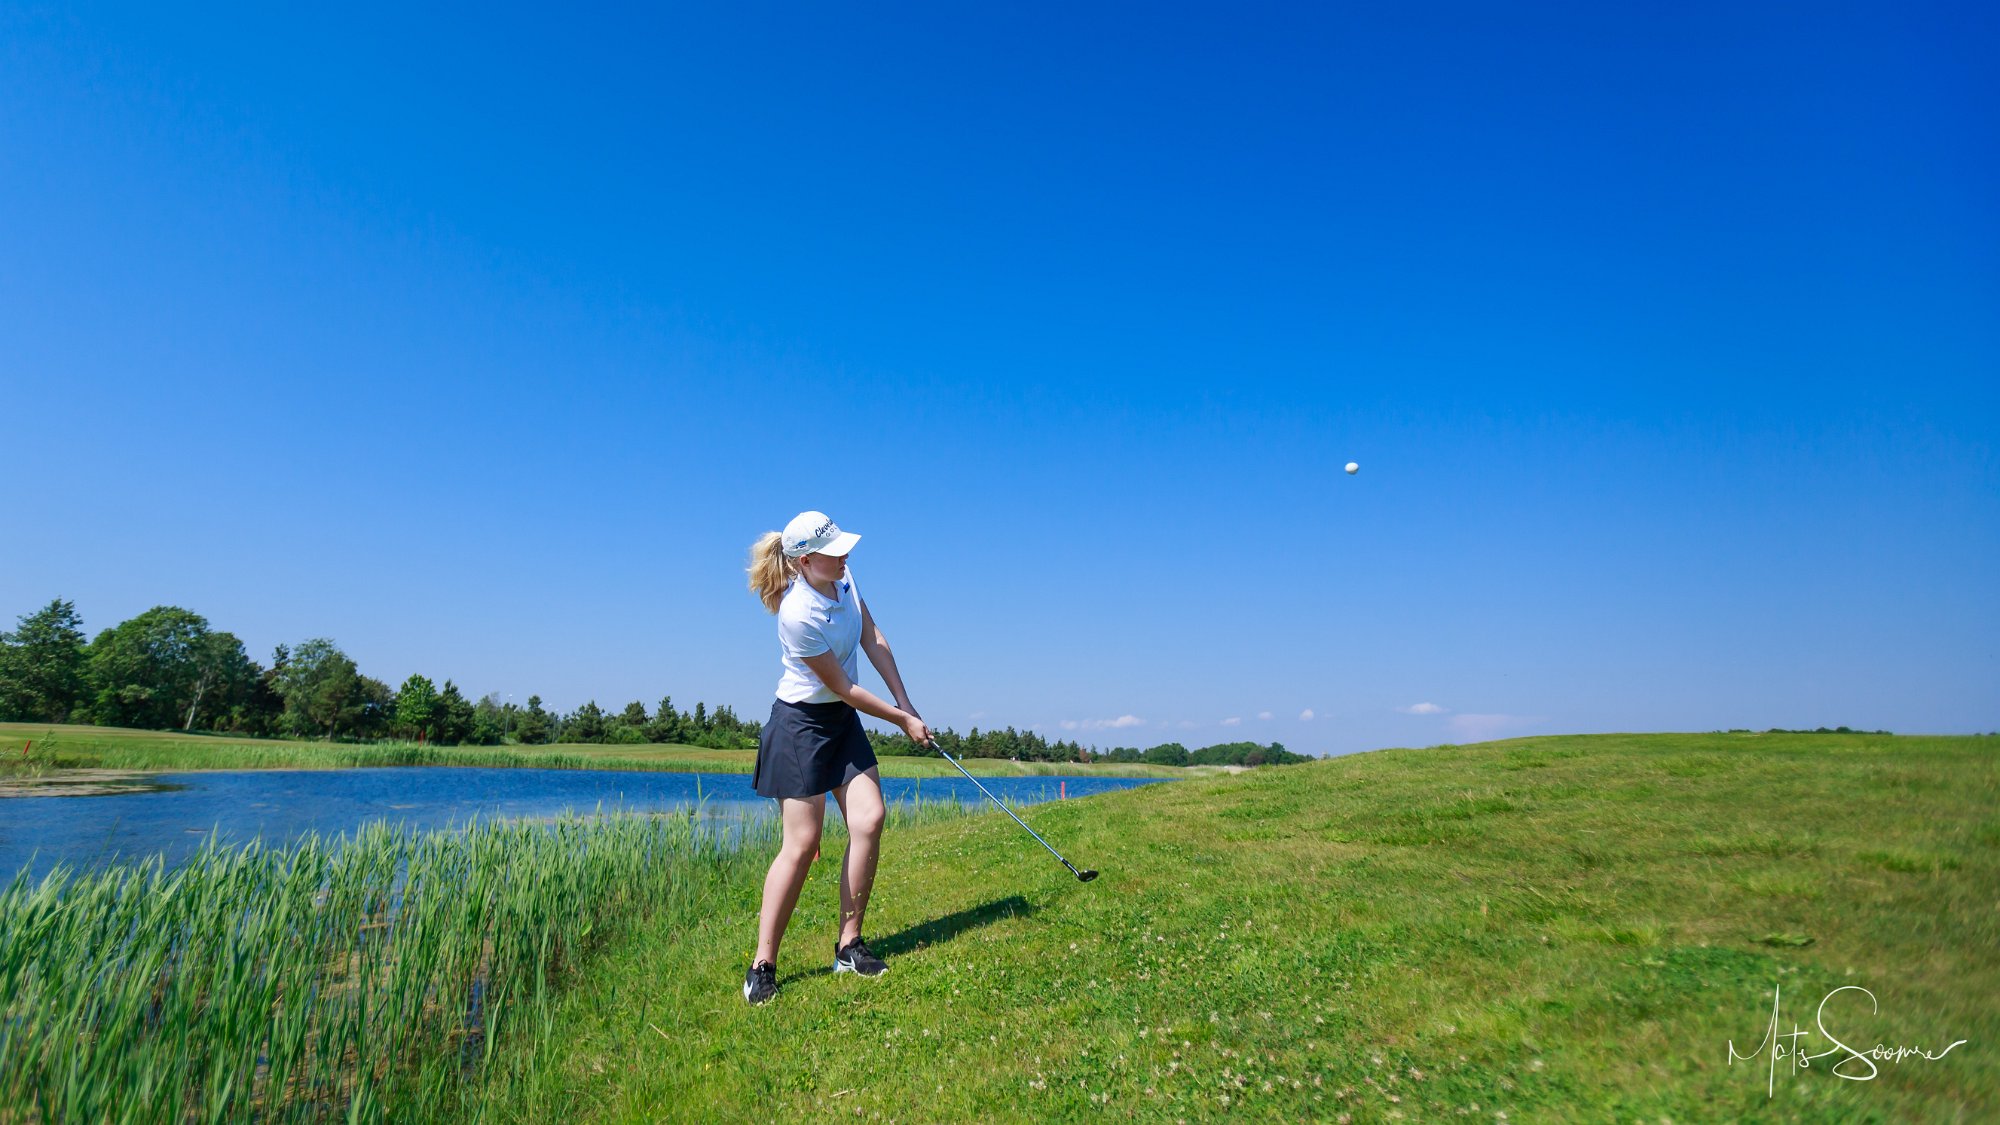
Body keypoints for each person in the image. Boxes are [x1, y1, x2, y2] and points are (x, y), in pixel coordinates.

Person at [741, 510, 931, 1005]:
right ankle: (762, 965)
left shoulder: (844, 578)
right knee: (802, 845)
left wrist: (906, 702)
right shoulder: (796, 613)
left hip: (841, 722)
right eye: (832, 550)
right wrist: (900, 721)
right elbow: (844, 687)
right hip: (800, 726)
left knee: (870, 819)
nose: (844, 554)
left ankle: (849, 946)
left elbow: (873, 638)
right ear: (805, 562)